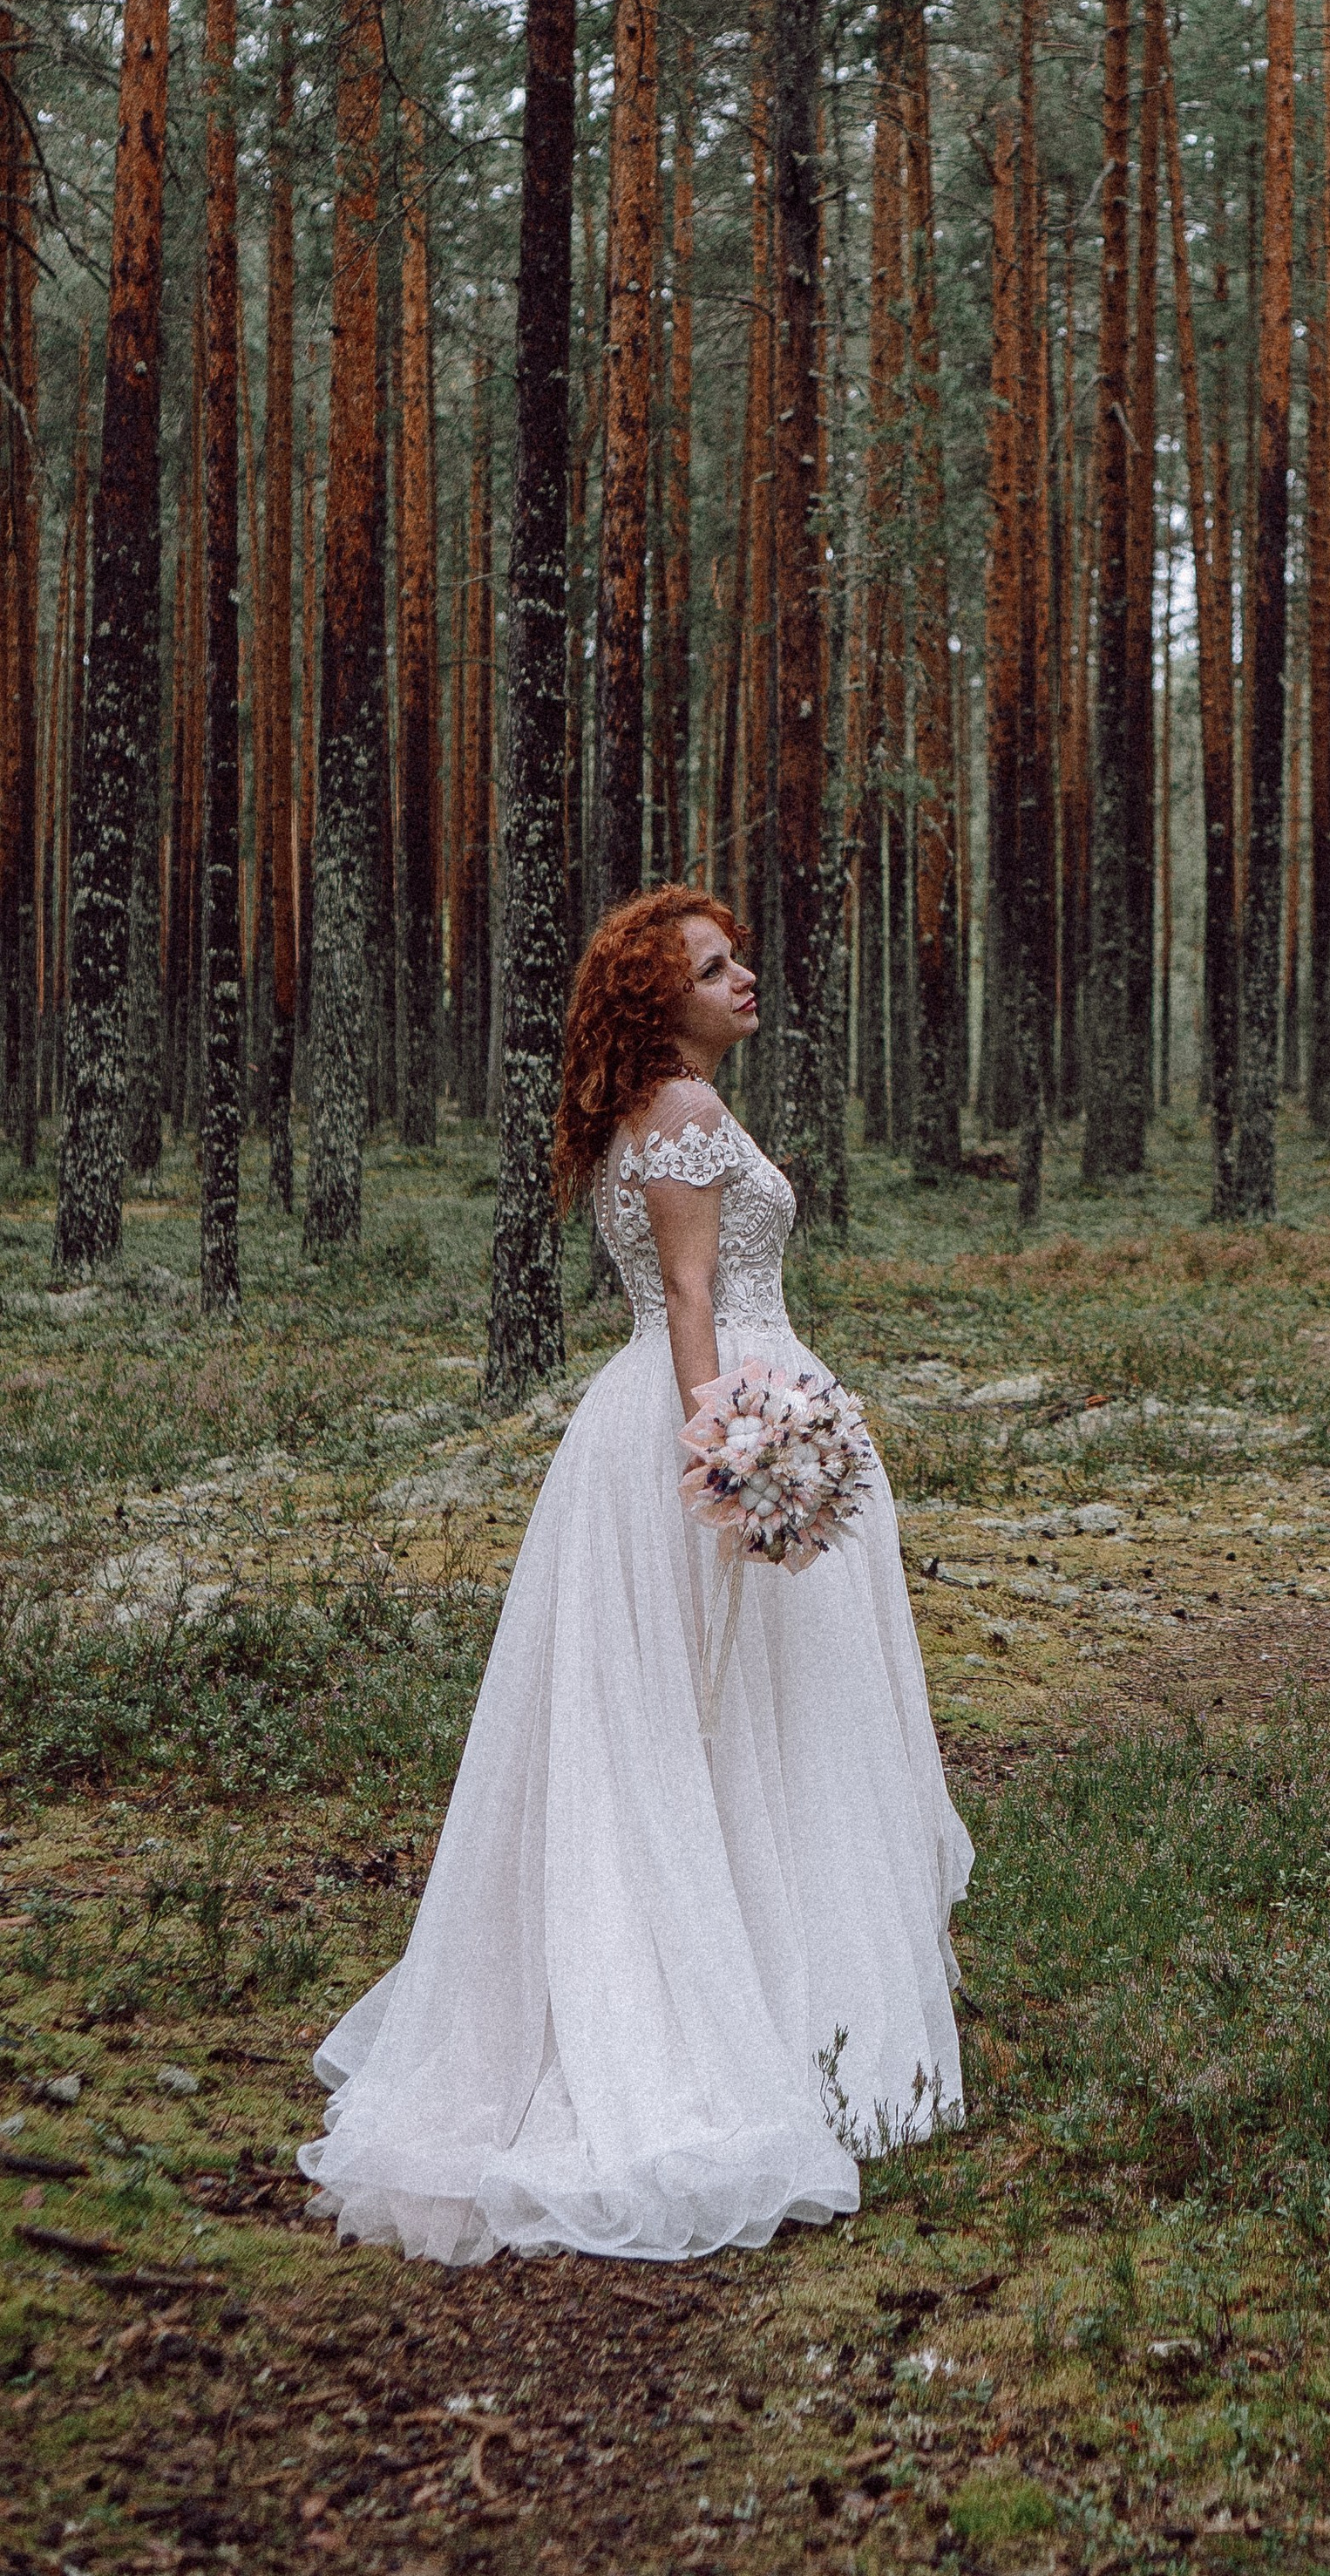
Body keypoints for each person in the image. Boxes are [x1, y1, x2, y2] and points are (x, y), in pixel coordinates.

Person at [299, 886, 971, 2265]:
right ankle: (761, 2018)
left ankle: (791, 1997)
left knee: (756, 1730)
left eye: (740, 956)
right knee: (730, 1721)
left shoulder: (660, 1113)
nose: (748, 978)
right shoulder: (684, 1118)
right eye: (718, 968)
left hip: (712, 1406)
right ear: (661, 1002)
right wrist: (727, 1452)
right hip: (709, 1411)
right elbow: (685, 1296)